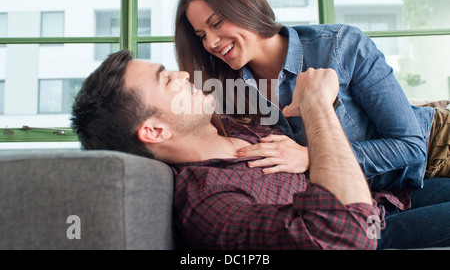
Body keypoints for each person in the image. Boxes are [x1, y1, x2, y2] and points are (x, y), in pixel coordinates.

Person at [71, 50, 450, 249]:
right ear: (154, 130)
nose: (184, 74)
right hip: (376, 230)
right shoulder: (209, 203)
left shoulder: (228, 127)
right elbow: (346, 237)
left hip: (391, 196)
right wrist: (317, 104)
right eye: (167, 80)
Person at [174, 0, 450, 190]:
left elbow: (410, 146)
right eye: (201, 36)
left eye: (217, 24)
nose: (210, 43)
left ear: (245, 4)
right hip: (378, 193)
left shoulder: (342, 46)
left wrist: (312, 157)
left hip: (436, 149)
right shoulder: (226, 91)